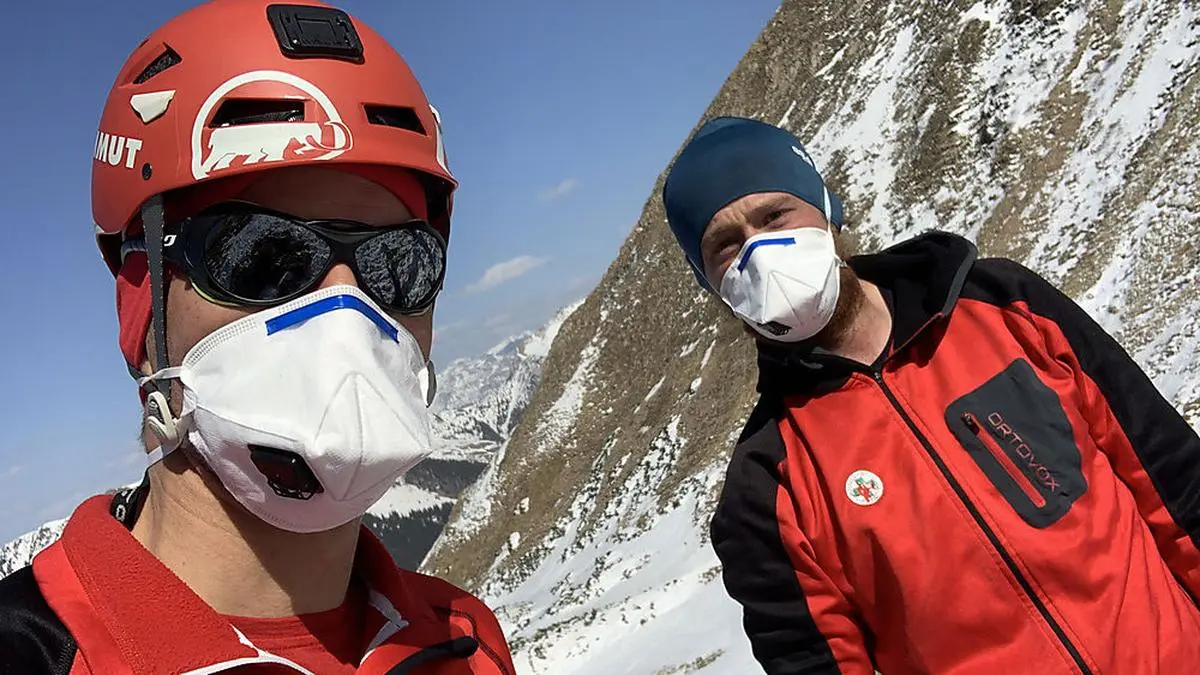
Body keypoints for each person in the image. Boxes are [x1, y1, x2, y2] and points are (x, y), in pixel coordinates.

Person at [0, 1, 516, 673]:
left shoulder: (467, 641)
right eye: (263, 257)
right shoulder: (35, 654)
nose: (347, 311)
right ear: (141, 307)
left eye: (400, 263)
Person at [662, 115, 1200, 674]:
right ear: (712, 284)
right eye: (726, 246)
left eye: (775, 215)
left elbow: (1170, 479)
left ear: (825, 211)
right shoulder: (768, 486)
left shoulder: (1004, 307)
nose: (761, 252)